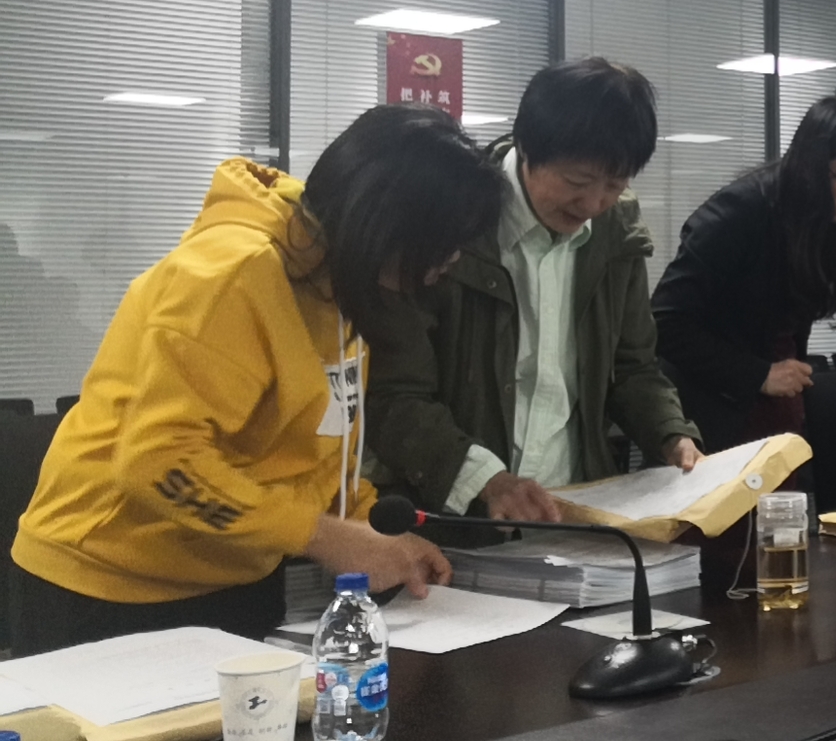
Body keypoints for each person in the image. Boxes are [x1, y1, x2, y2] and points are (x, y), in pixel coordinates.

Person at [8, 105, 493, 654]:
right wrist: (325, 536)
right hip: (108, 583)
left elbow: (319, 445)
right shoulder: (231, 276)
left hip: (233, 576)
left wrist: (375, 534)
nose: (450, 260)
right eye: (443, 242)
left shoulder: (339, 287)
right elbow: (157, 461)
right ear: (384, 225)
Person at [364, 59, 703, 527]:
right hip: (455, 515)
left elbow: (633, 367)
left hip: (575, 509)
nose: (593, 204)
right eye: (576, 182)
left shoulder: (616, 233)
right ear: (526, 147)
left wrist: (671, 434)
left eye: (614, 184)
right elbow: (395, 394)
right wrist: (487, 480)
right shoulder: (450, 220)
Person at [654, 94, 836, 452]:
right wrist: (758, 374)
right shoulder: (737, 212)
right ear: (814, 167)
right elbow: (664, 321)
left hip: (778, 401)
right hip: (710, 410)